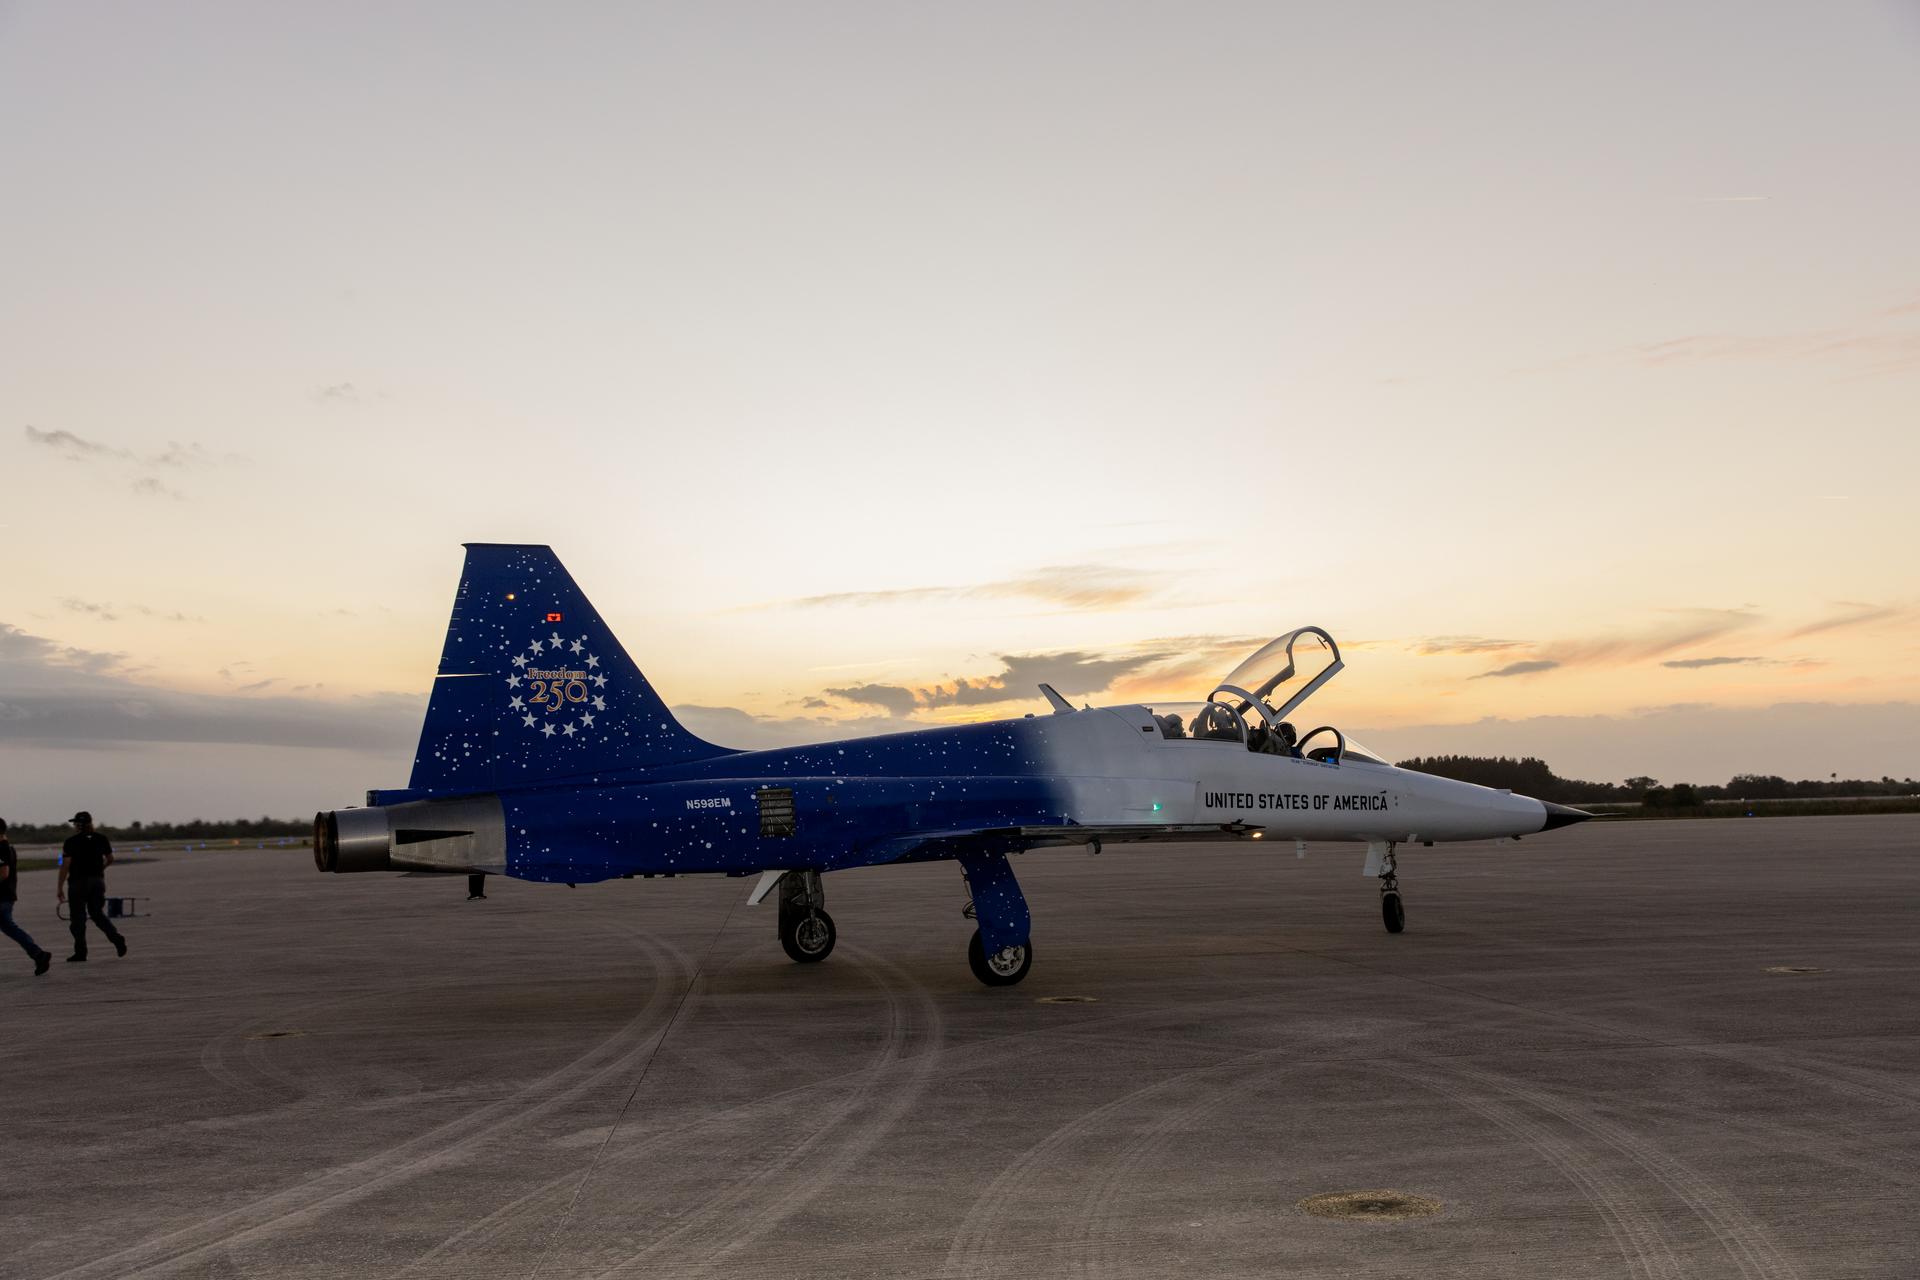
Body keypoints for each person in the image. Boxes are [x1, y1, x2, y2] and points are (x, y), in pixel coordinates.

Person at [57, 811, 126, 962]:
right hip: (97, 882)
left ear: (79, 825)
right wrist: (100, 869)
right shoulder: (101, 838)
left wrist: (60, 886)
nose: (74, 825)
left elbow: (65, 865)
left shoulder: (71, 841)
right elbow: (110, 858)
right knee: (97, 913)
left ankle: (81, 952)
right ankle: (116, 938)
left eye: (75, 823)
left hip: (78, 883)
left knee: (78, 919)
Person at [0, 818, 53, 976]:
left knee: (10, 928)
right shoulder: (9, 847)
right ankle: (38, 954)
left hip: (1, 896)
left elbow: (3, 874)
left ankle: (38, 954)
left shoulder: (1, 848)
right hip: (7, 896)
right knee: (10, 928)